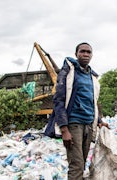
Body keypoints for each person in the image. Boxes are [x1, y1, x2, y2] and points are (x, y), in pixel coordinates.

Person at [45, 42, 109, 179]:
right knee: (76, 165)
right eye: (82, 51)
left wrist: (99, 121)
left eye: (88, 52)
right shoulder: (69, 72)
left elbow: (92, 101)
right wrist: (64, 129)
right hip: (74, 124)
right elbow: (58, 100)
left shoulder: (92, 77)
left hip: (89, 125)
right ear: (76, 54)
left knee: (82, 162)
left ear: (92, 55)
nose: (85, 54)